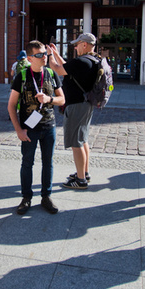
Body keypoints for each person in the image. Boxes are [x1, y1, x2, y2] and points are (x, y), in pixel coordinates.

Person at [8, 41, 65, 215]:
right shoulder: (22, 76)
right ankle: (26, 198)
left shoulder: (50, 74)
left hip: (49, 127)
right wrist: (18, 129)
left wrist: (49, 100)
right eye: (40, 55)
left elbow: (62, 99)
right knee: (27, 163)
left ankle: (46, 196)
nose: (44, 57)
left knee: (48, 163)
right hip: (29, 129)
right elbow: (11, 105)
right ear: (31, 58)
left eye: (45, 54)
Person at [46, 33, 98, 189]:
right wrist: (56, 54)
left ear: (84, 44)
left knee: (76, 142)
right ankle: (84, 172)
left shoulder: (82, 61)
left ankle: (80, 180)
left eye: (77, 44)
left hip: (76, 105)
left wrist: (49, 56)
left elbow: (57, 69)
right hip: (85, 103)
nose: (75, 47)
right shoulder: (92, 60)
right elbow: (68, 68)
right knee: (83, 139)